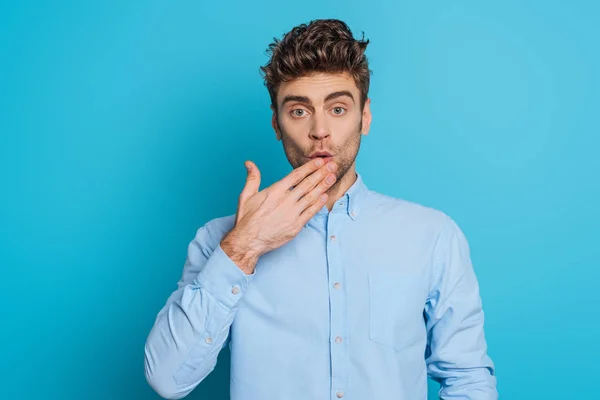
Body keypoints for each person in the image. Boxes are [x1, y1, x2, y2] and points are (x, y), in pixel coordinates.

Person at [144, 18, 497, 400]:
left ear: (365, 116)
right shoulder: (219, 240)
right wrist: (243, 247)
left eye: (338, 109)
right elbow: (167, 380)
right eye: (298, 111)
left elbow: (467, 380)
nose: (320, 131)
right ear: (276, 124)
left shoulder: (433, 236)